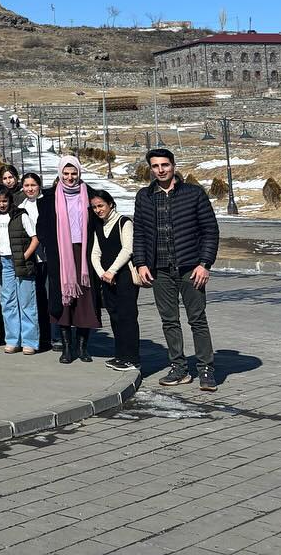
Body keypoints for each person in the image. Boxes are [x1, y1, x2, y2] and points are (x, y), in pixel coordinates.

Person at [132, 148, 218, 390]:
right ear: (150, 169)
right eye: (156, 166)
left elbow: (210, 231)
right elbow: (139, 234)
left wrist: (204, 264)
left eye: (165, 165)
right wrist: (140, 263)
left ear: (173, 165)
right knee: (169, 321)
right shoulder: (144, 197)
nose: (161, 170)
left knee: (197, 320)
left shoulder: (193, 194)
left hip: (191, 269)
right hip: (159, 270)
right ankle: (179, 368)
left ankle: (206, 369)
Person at [38, 156, 103, 365]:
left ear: (79, 173)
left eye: (73, 173)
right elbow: (42, 227)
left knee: (85, 300)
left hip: (85, 253)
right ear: (60, 174)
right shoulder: (48, 199)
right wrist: (50, 247)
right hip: (61, 256)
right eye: (65, 174)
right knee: (64, 300)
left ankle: (83, 347)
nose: (70, 177)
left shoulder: (90, 195)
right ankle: (66, 347)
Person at [90, 189, 139, 372]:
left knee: (128, 317)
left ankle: (132, 358)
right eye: (95, 207)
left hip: (124, 276)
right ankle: (120, 356)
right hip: (107, 279)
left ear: (110, 204)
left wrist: (112, 271)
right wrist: (102, 273)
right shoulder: (99, 225)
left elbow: (127, 249)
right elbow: (95, 252)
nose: (98, 210)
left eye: (101, 205)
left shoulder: (123, 222)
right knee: (115, 317)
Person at [0, 185, 39, 355]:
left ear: (10, 200)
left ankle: (29, 341)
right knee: (8, 303)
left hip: (21, 262)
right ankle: (12, 339)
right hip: (3, 263)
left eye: (5, 201)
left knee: (26, 302)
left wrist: (24, 256)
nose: (2, 204)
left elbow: (35, 239)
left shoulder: (20, 215)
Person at [19, 172, 54, 352]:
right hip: (32, 259)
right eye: (26, 185)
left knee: (50, 297)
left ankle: (53, 336)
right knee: (35, 299)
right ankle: (38, 336)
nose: (30, 189)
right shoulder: (21, 207)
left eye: (33, 185)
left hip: (48, 257)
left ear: (39, 185)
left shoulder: (47, 203)